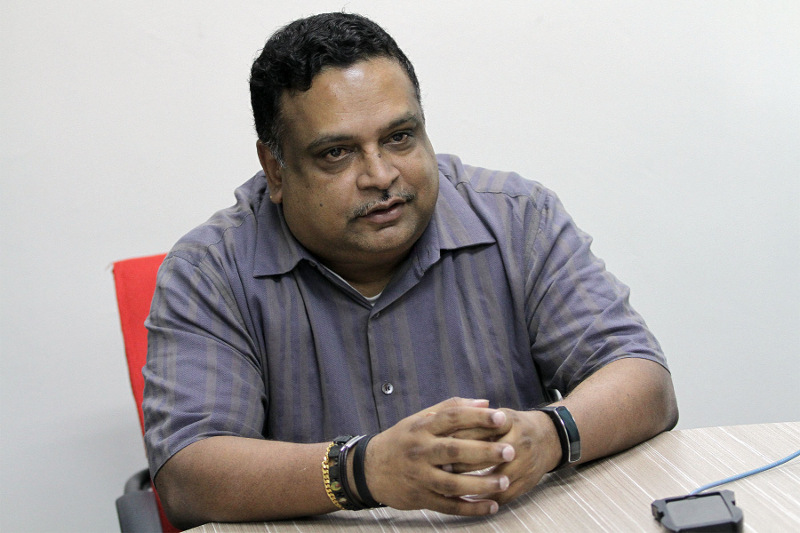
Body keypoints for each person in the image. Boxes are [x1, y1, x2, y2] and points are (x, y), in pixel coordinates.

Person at [143, 12, 678, 529]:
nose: (380, 175)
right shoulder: (209, 271)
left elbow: (644, 380)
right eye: (336, 153)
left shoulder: (518, 218)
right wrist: (362, 471)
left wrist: (550, 434)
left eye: (400, 137)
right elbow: (188, 476)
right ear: (275, 169)